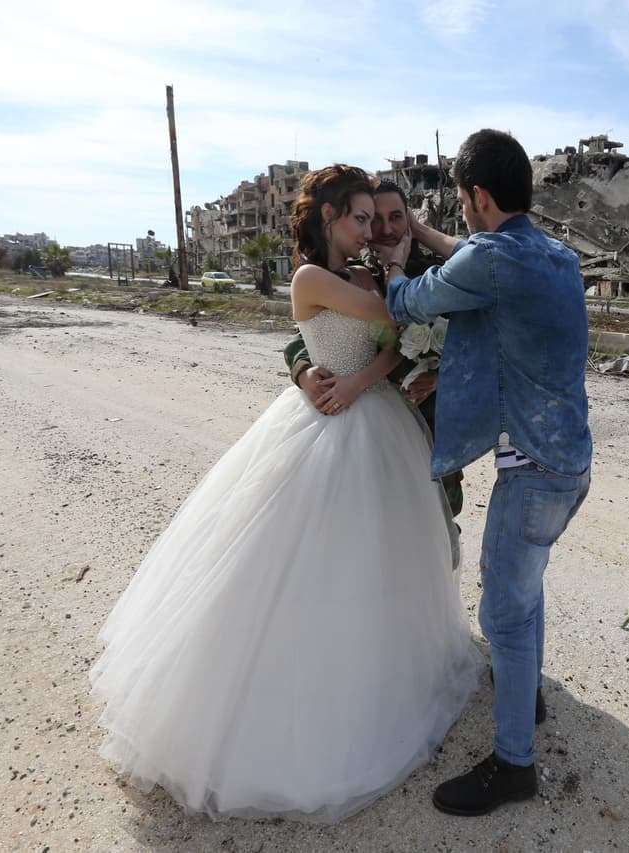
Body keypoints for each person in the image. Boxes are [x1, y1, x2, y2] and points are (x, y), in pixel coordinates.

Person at [89, 164, 479, 822]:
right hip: (322, 430)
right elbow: (393, 315)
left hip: (376, 415)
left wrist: (363, 377)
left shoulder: (365, 274)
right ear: (329, 218)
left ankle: (377, 677)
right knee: (303, 564)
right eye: (358, 216)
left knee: (380, 562)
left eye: (373, 217)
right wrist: (393, 278)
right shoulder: (311, 278)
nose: (367, 228)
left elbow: (393, 341)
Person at [378, 129, 592, 817]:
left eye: (462, 202)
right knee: (526, 590)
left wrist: (390, 263)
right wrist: (422, 229)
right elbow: (472, 255)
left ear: (476, 196)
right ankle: (524, 693)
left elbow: (412, 301)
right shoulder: (554, 254)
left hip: (531, 471)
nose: (460, 214)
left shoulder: (493, 261)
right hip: (569, 462)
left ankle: (513, 764)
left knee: (502, 608)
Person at [282, 180, 464, 515]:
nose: (382, 229)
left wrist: (440, 375)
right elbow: (303, 336)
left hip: (429, 427)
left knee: (434, 521)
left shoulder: (438, 277)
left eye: (396, 217)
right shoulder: (352, 273)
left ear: (409, 219)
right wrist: (303, 371)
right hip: (356, 420)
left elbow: (479, 341)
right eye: (369, 219)